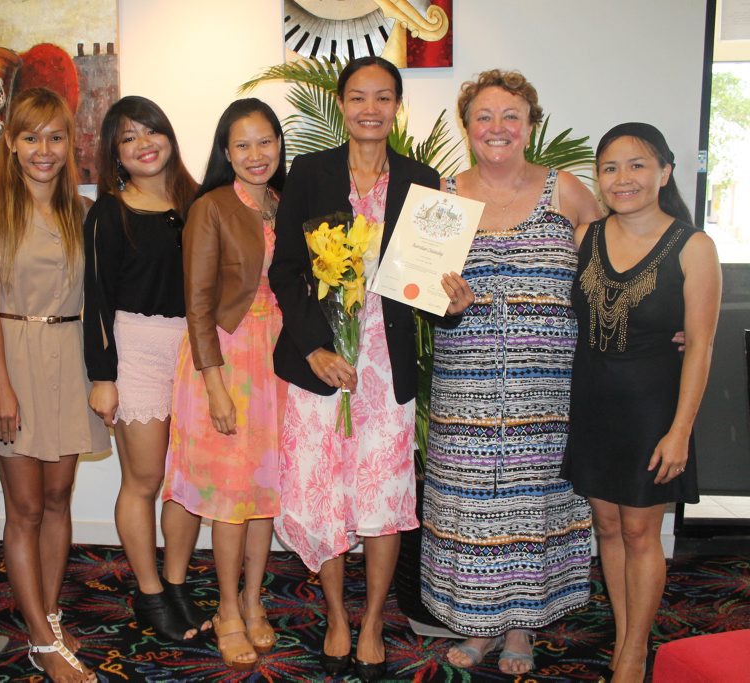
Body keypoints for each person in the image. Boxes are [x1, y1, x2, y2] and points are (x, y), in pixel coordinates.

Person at [268, 56, 472, 683]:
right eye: (359, 97)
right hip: (322, 364)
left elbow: (423, 284)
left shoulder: (421, 175)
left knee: (384, 497)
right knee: (324, 491)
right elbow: (286, 273)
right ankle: (335, 614)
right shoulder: (310, 171)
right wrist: (313, 350)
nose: (370, 109)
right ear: (341, 103)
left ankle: (376, 619)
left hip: (387, 367)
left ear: (397, 107)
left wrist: (450, 302)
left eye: (384, 98)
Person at [420, 68, 604, 675]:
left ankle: (522, 627)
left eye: (511, 117)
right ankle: (477, 625)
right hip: (465, 388)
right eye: (484, 117)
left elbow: (622, 261)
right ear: (467, 126)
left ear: (531, 124)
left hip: (545, 392)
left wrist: (665, 318)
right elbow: (417, 292)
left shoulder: (566, 190)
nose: (497, 128)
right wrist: (443, 303)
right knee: (472, 509)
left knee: (533, 509)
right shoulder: (443, 197)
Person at [561, 123, 721, 683]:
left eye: (636, 165)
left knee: (639, 533)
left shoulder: (693, 247)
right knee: (606, 527)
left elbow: (700, 345)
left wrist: (680, 431)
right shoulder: (586, 237)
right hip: (594, 403)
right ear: (598, 179)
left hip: (654, 410)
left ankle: (632, 653)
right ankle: (626, 634)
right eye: (609, 167)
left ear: (665, 173)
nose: (622, 178)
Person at [0, 88, 107, 682]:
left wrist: (108, 377)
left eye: (55, 137)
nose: (43, 150)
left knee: (57, 500)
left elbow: (102, 301)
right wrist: (0, 385)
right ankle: (42, 642)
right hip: (13, 358)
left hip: (70, 362)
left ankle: (48, 617)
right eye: (29, 137)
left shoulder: (86, 210)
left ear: (70, 143)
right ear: (11, 144)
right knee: (23, 507)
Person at [162, 98, 287, 671]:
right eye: (243, 145)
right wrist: (214, 386)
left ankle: (256, 600)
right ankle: (228, 609)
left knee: (262, 494)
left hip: (276, 362)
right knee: (229, 497)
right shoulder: (209, 207)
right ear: (225, 152)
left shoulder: (285, 205)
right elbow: (197, 305)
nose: (256, 154)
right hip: (225, 357)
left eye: (266, 142)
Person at [83, 96, 209, 642]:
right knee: (144, 479)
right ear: (116, 154)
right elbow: (95, 297)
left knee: (187, 481)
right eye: (128, 137)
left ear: (169, 135)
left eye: (150, 130)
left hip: (199, 351)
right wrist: (102, 376)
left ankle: (177, 585)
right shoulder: (109, 211)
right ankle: (149, 592)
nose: (143, 143)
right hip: (137, 350)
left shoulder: (201, 203)